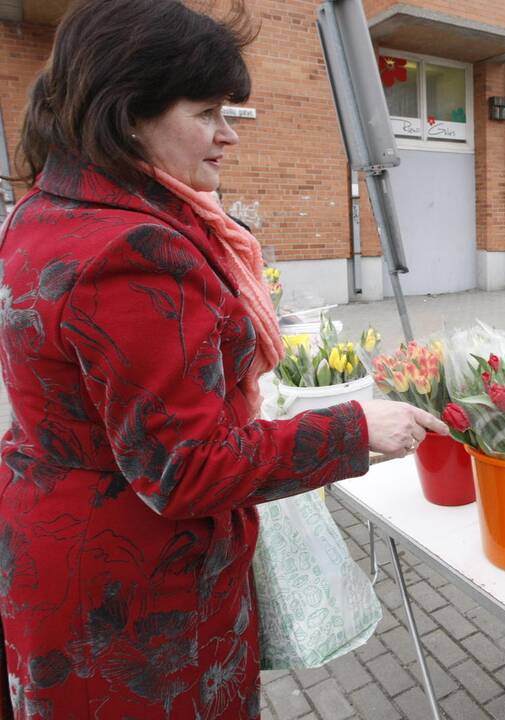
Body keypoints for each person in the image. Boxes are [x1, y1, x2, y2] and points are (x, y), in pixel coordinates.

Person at [0, 1, 447, 717]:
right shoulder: (133, 250)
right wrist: (354, 430)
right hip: (137, 586)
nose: (228, 134)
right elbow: (186, 469)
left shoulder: (49, 208)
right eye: (207, 111)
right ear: (129, 112)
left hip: (61, 546)